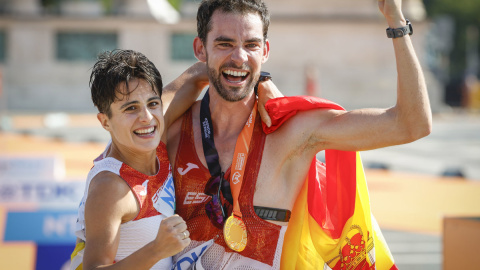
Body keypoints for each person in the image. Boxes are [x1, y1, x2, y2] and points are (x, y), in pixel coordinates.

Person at [166, 0, 432, 269]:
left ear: (266, 50)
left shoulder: (294, 132)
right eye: (224, 44)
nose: (240, 57)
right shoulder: (175, 130)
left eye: (251, 45)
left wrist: (396, 21)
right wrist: (196, 74)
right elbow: (126, 128)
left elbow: (412, 124)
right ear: (200, 48)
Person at [70, 49, 209, 270]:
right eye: (131, 108)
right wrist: (156, 249)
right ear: (105, 122)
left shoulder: (153, 138)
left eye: (153, 104)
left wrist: (264, 86)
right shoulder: (110, 187)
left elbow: (197, 75)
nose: (147, 117)